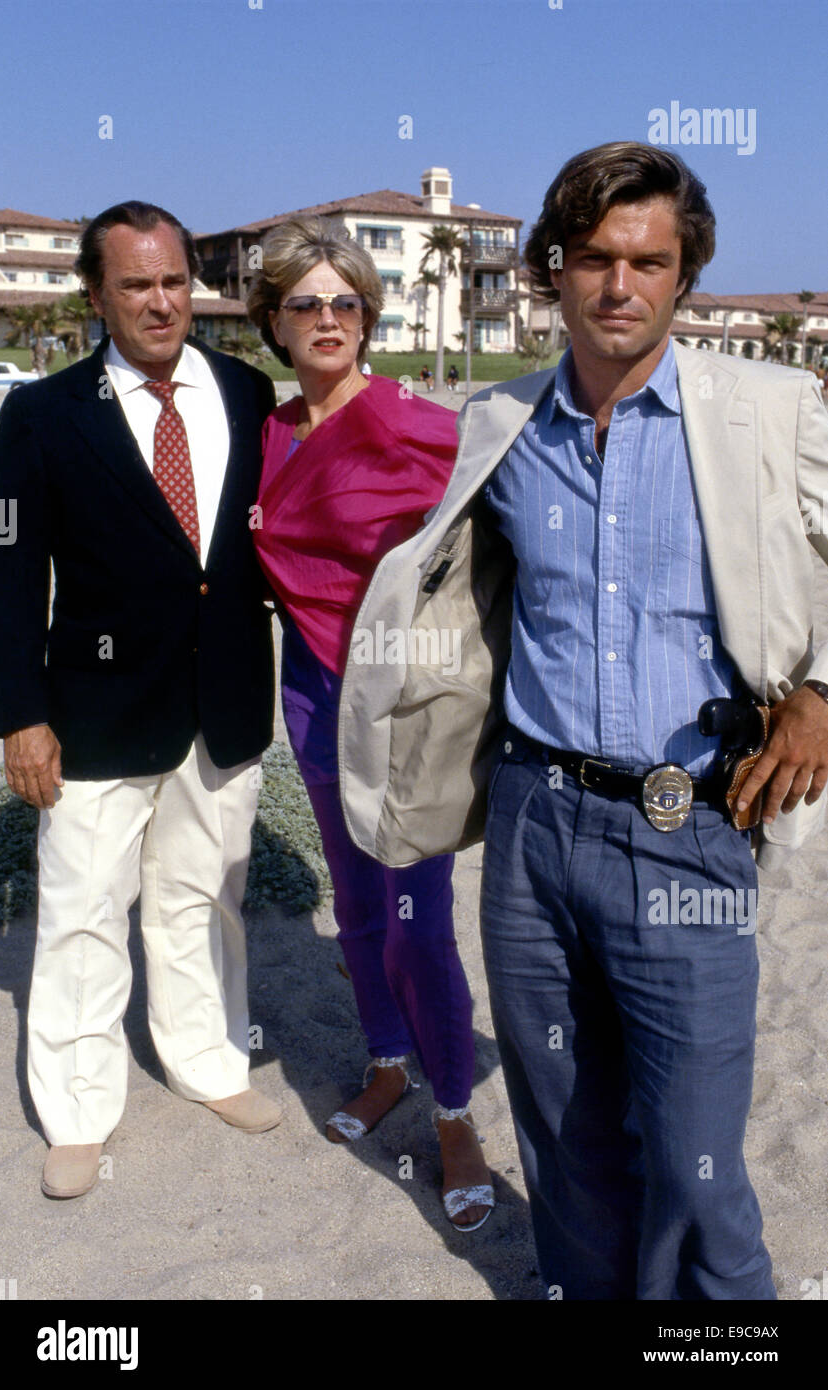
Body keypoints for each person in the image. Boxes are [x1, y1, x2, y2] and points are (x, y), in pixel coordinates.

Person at [339, 142, 828, 1297]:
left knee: (696, 1156)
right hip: (532, 830)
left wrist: (818, 691)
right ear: (552, 272)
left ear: (683, 275)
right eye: (595, 259)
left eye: (648, 262)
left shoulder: (765, 407)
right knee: (563, 1126)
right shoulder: (497, 422)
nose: (621, 286)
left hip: (690, 827)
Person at [0, 201, 280, 1200]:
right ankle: (76, 1109)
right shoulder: (41, 415)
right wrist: (20, 714)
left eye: (172, 282)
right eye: (135, 285)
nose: (160, 303)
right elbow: (9, 573)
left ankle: (207, 1062)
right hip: (94, 713)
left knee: (204, 900)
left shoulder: (246, 390)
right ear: (96, 294)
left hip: (224, 704)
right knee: (80, 911)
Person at [247, 217, 494, 1230]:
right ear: (273, 319)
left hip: (403, 700)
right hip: (309, 687)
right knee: (354, 906)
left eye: (344, 300)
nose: (327, 318)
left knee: (416, 918)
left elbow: (505, 501)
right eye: (304, 302)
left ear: (368, 314)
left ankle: (453, 1110)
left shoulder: (410, 419)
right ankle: (385, 1061)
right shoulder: (266, 433)